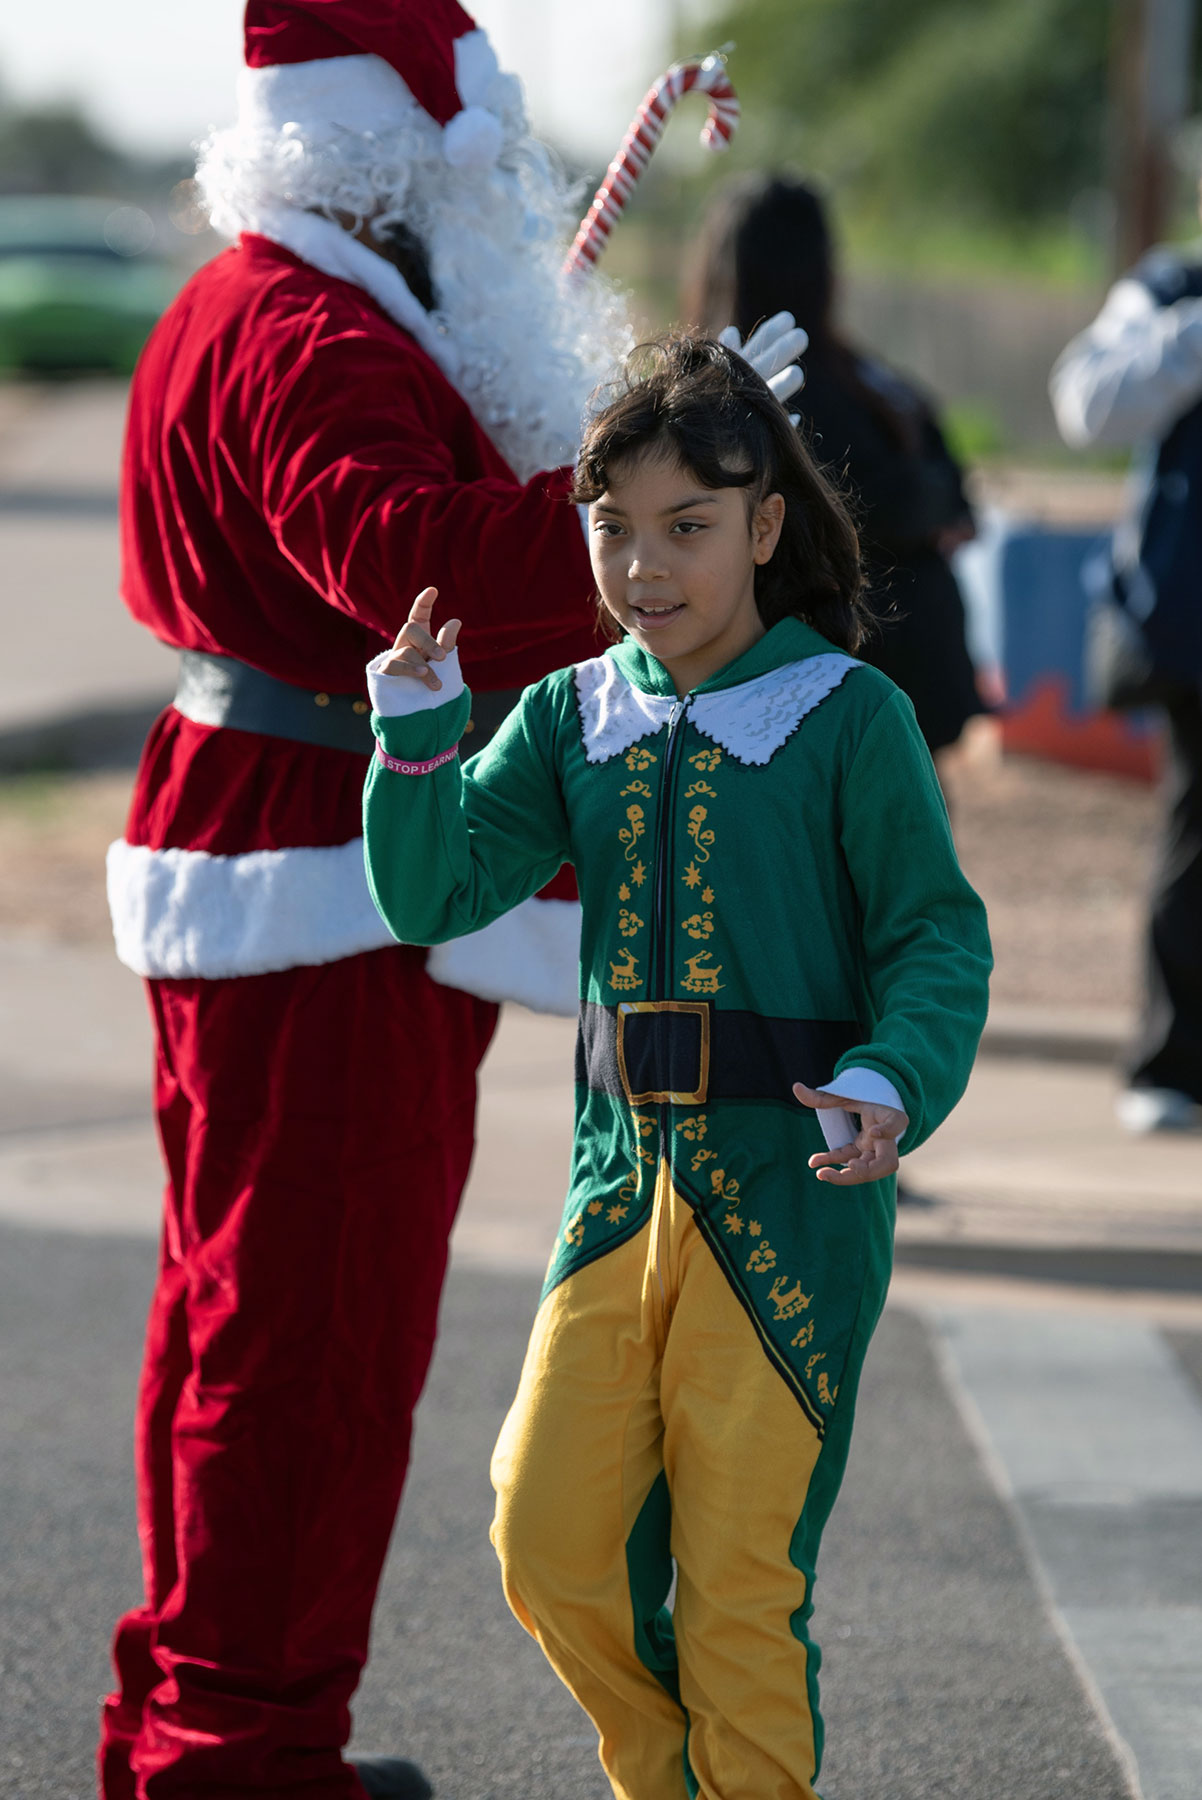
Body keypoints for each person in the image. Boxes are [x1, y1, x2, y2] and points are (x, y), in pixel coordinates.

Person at [99, 7, 805, 1795]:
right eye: (481, 157)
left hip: (296, 845)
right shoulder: (298, 327)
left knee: (247, 1320)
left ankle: (207, 1722)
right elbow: (407, 571)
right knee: (307, 1339)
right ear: (395, 157)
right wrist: (668, 503)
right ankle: (238, 1754)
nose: (507, 187)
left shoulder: (282, 307)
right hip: (326, 862)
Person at [362, 335, 992, 1800]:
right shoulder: (572, 714)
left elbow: (934, 944)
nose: (643, 567)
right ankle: (665, 1777)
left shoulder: (851, 719)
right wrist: (411, 743)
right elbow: (438, 893)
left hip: (789, 1206)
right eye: (612, 528)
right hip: (613, 1200)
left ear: (764, 527)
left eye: (686, 528)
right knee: (544, 1536)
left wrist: (895, 1079)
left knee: (735, 1592)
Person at [687, 172, 985, 761]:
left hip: (845, 678)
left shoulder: (713, 398)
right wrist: (938, 507)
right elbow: (911, 496)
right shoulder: (827, 384)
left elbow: (904, 493)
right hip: (861, 674)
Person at [1050, 238, 1202, 1134]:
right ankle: (1172, 1063)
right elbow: (1087, 403)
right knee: (1197, 839)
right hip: (1190, 629)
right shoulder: (1169, 289)